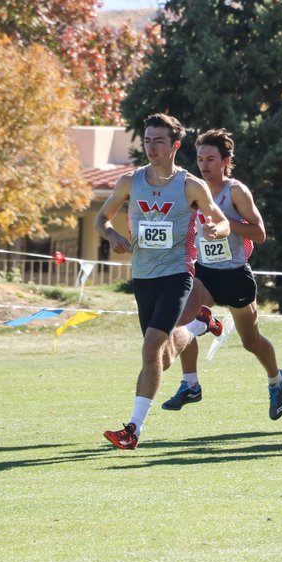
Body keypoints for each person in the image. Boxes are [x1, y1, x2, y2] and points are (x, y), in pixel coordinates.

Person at [95, 114, 231, 450]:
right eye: (147, 139)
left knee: (151, 347)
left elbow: (222, 220)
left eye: (158, 140)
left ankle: (133, 430)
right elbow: (101, 217)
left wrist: (216, 230)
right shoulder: (130, 181)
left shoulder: (190, 186)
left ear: (174, 145)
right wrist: (111, 234)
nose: (151, 146)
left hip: (177, 274)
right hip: (143, 278)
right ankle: (201, 325)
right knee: (162, 358)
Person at [159, 129, 282, 420]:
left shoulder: (235, 191)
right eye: (200, 158)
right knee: (183, 318)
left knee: (251, 342)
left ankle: (276, 380)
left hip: (235, 276)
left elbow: (260, 233)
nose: (204, 165)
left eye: (211, 159)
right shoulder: (193, 189)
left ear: (225, 160)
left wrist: (225, 222)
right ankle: (190, 384)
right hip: (205, 273)